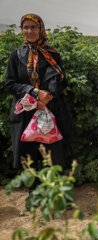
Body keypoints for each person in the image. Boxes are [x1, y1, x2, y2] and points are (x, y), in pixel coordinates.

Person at [5, 14, 71, 210]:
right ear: (21, 30)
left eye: (34, 27)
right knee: (29, 155)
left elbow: (61, 79)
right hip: (26, 113)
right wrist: (34, 93)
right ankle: (33, 195)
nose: (29, 31)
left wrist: (48, 96)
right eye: (25, 27)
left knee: (55, 153)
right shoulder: (17, 55)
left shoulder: (52, 53)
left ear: (41, 29)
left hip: (49, 110)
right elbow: (10, 83)